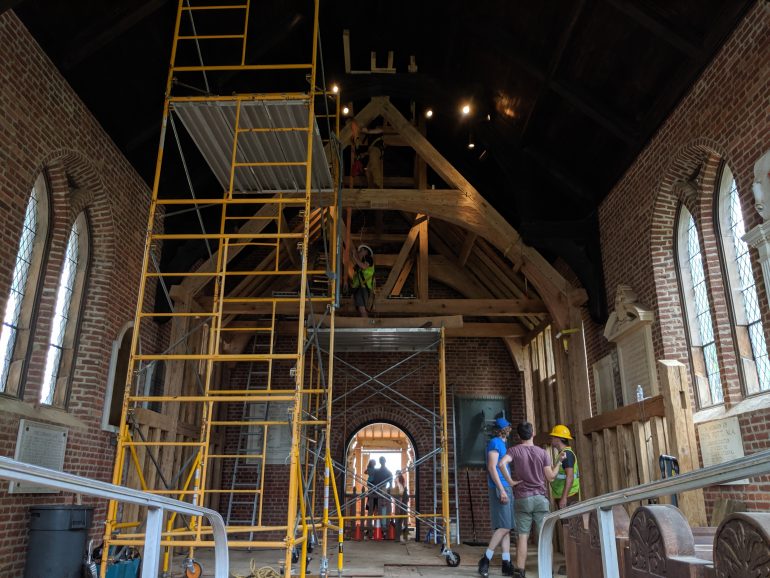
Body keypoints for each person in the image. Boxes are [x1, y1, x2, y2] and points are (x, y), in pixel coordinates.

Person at [498, 422, 565, 578]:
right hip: (540, 498)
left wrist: (511, 482)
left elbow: (501, 464)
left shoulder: (514, 450)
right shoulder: (542, 453)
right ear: (533, 433)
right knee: (545, 536)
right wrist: (559, 462)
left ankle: (520, 571)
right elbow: (550, 477)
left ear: (519, 436)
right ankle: (547, 571)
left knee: (522, 536)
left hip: (522, 498)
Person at [478, 417, 518, 578]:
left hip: (505, 487)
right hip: (500, 488)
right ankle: (485, 559)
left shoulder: (501, 443)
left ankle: (506, 564)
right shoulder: (495, 443)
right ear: (505, 429)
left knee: (506, 527)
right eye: (508, 427)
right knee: (504, 527)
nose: (510, 429)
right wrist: (501, 489)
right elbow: (491, 467)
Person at [549, 425, 580, 511]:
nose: (551, 439)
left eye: (552, 437)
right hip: (564, 495)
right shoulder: (562, 454)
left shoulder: (566, 455)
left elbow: (570, 477)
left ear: (558, 439)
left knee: (570, 524)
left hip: (568, 497)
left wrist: (564, 498)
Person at [349, 244, 375, 317]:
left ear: (366, 251)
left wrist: (354, 257)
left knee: (362, 308)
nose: (359, 251)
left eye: (361, 250)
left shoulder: (368, 258)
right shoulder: (362, 261)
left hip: (363, 287)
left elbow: (364, 266)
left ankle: (365, 325)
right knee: (360, 308)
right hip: (359, 288)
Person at [370, 456, 393, 530]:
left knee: (384, 510)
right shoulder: (378, 471)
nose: (382, 462)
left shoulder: (387, 472)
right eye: (381, 460)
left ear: (384, 461)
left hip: (383, 492)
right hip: (376, 492)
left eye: (382, 460)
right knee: (375, 510)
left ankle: (383, 527)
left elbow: (391, 484)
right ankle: (376, 527)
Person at [393, 471, 410, 543]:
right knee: (403, 519)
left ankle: (398, 536)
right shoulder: (402, 480)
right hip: (403, 500)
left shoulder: (397, 480)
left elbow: (399, 490)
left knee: (399, 519)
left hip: (400, 500)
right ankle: (404, 535)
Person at [364, 458, 377, 539]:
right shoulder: (373, 469)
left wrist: (368, 472)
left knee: (371, 492)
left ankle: (371, 529)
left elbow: (365, 472)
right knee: (370, 492)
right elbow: (365, 472)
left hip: (371, 482)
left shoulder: (370, 469)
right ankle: (370, 529)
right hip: (371, 482)